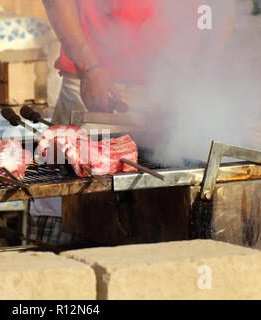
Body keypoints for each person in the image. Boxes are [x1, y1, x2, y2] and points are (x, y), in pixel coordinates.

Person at [27, 0, 236, 245]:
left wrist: (200, 74)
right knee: (74, 207)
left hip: (175, 89)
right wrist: (89, 68)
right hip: (97, 85)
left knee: (164, 224)